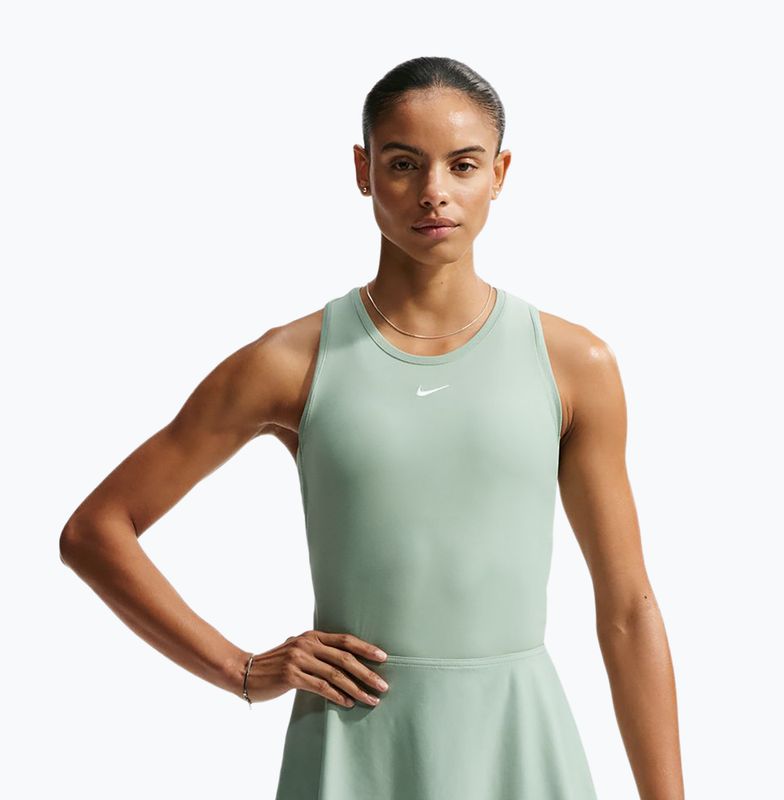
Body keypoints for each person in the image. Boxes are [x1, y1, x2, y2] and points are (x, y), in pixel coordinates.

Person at [60, 56, 684, 799]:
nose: (433, 192)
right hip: (353, 749)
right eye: (403, 164)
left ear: (499, 173)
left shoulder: (574, 364)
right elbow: (96, 531)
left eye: (462, 165)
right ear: (363, 170)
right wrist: (241, 670)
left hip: (519, 743)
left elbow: (628, 608)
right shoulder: (291, 361)